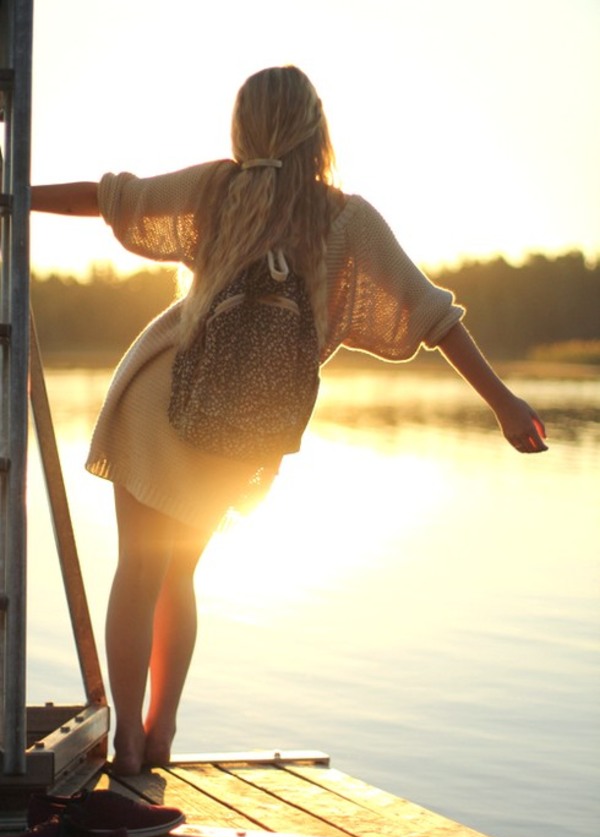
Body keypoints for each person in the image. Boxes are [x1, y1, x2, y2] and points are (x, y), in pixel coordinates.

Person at [30, 65, 547, 776]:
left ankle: (130, 747)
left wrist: (15, 195)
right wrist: (503, 403)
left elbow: (109, 197)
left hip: (163, 395)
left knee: (139, 569)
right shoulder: (346, 219)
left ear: (243, 128)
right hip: (241, 425)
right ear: (316, 129)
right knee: (179, 575)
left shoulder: (217, 189)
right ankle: (161, 733)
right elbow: (434, 315)